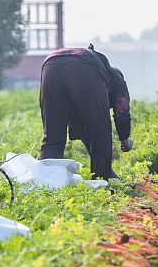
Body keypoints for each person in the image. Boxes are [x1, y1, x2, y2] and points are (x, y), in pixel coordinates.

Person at [38, 44, 132, 181]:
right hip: (84, 64)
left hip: (50, 65)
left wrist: (108, 169)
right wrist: (125, 142)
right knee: (101, 134)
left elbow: (84, 128)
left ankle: (44, 186)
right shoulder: (116, 77)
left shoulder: (97, 79)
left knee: (52, 138)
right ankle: (102, 188)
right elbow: (122, 113)